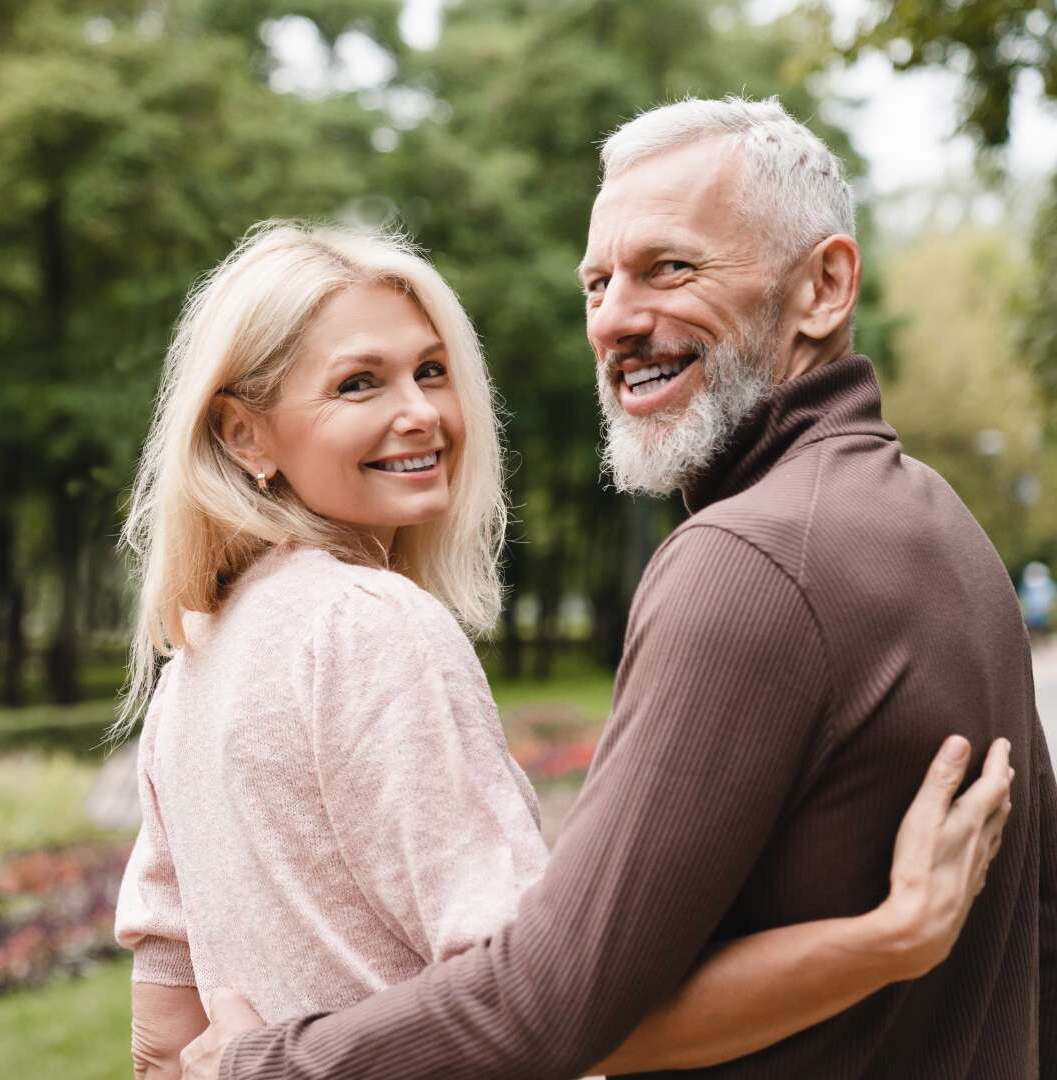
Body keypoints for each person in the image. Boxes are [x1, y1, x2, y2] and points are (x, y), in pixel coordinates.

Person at [185, 99, 1054, 1079]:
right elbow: (1042, 930)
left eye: (669, 269)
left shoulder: (750, 559)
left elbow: (552, 1003)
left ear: (824, 286)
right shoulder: (947, 529)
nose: (616, 321)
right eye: (597, 283)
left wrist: (255, 1067)